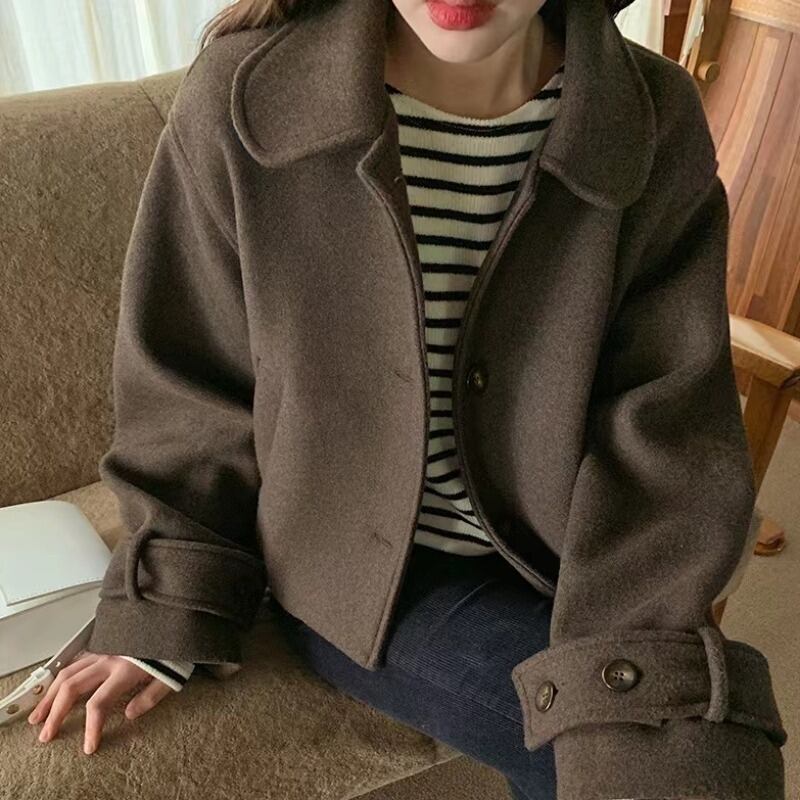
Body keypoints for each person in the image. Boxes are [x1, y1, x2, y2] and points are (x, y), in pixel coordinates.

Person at [27, 0, 787, 798]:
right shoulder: (243, 93)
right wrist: (167, 603)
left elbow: (665, 418)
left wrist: (645, 629)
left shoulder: (650, 116)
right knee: (639, 762)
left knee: (681, 749)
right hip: (366, 574)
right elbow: (188, 391)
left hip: (575, 555)